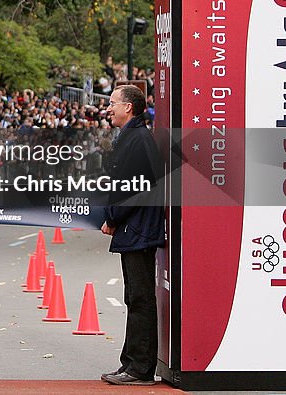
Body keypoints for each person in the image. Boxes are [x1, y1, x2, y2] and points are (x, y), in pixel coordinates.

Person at [100, 84, 165, 386]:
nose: (108, 108)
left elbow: (134, 189)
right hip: (136, 228)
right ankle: (132, 364)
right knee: (135, 298)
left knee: (139, 298)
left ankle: (140, 368)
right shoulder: (134, 137)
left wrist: (113, 218)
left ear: (129, 107)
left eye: (113, 103)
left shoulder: (137, 139)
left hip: (138, 230)